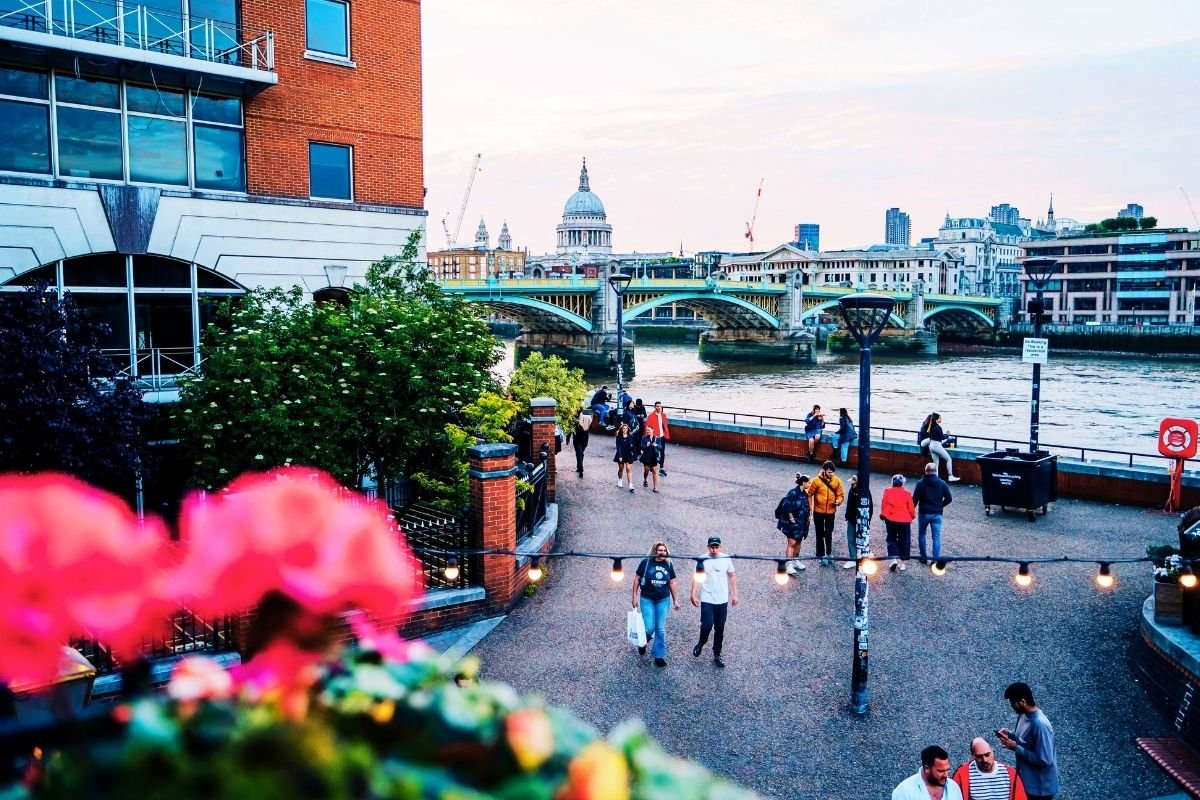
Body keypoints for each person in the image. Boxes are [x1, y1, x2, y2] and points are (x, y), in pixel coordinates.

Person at [999, 682, 1059, 800]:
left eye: (1013, 703)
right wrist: (1010, 735)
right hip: (1027, 783)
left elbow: (1045, 759)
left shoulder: (1040, 724)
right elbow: (1026, 740)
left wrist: (1016, 748)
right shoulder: (1023, 715)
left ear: (1022, 702)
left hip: (1040, 789)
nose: (1012, 706)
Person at [690, 535, 737, 668]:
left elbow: (732, 576)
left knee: (720, 628)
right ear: (708, 547)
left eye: (716, 547)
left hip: (722, 599)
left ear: (720, 547)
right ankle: (701, 643)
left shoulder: (726, 558)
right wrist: (693, 594)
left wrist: (734, 594)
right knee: (706, 625)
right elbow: (696, 577)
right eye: (712, 547)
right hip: (707, 597)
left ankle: (717, 654)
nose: (714, 550)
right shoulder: (702, 559)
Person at [632, 541, 679, 667]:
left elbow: (672, 582)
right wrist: (634, 597)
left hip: (663, 600)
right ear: (655, 551)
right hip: (647, 599)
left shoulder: (669, 564)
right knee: (649, 628)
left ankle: (659, 656)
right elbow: (637, 579)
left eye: (664, 550)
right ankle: (643, 642)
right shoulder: (646, 562)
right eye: (660, 550)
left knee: (660, 629)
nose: (662, 552)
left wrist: (675, 600)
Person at [952, 736, 1028, 800]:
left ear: (993, 751)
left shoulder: (1010, 774)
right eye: (979, 756)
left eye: (987, 755)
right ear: (973, 756)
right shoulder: (962, 774)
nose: (985, 760)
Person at [912, 462, 953, 565]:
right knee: (936, 537)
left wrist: (910, 510)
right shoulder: (942, 483)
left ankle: (923, 557)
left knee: (922, 534)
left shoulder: (920, 483)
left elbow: (914, 500)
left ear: (926, 471)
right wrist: (940, 506)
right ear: (936, 471)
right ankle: (935, 559)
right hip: (937, 514)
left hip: (924, 513)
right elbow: (949, 498)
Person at [807, 460, 844, 566]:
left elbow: (840, 494)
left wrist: (838, 501)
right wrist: (810, 507)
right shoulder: (816, 481)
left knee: (828, 533)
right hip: (818, 511)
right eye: (829, 472)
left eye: (832, 472)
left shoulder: (837, 481)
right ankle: (821, 555)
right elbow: (809, 494)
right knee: (819, 533)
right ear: (824, 471)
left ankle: (829, 553)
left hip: (831, 511)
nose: (831, 474)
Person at [893, 745, 963, 800]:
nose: (946, 775)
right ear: (927, 769)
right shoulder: (904, 791)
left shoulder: (953, 787)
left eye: (947, 770)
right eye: (940, 771)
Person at [881, 474, 917, 572]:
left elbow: (884, 504)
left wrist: (884, 515)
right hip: (905, 520)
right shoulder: (907, 493)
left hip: (891, 518)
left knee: (891, 538)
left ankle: (893, 559)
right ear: (902, 482)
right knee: (904, 540)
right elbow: (911, 508)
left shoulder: (887, 491)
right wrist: (912, 517)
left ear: (892, 482)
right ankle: (902, 563)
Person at [778, 474, 811, 573]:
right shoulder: (793, 493)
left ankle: (795, 560)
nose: (810, 484)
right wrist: (791, 518)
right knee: (791, 543)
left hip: (802, 523)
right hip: (793, 523)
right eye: (809, 482)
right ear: (804, 483)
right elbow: (787, 506)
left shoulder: (804, 494)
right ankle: (789, 564)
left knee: (798, 542)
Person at [842, 473, 872, 569]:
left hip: (861, 521)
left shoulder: (864, 491)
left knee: (861, 540)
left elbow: (869, 507)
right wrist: (847, 515)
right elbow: (849, 504)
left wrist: (867, 521)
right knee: (851, 539)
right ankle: (853, 559)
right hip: (851, 519)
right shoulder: (852, 490)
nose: (852, 484)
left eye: (853, 482)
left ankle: (862, 558)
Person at [919, 412, 961, 482]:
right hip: (937, 445)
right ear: (937, 419)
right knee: (948, 459)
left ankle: (936, 478)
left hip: (931, 446)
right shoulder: (938, 427)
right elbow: (942, 437)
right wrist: (947, 435)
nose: (941, 419)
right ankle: (950, 476)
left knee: (936, 464)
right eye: (940, 418)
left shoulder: (930, 426)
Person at [647, 401, 671, 476]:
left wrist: (665, 433)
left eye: (660, 406)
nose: (659, 407)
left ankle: (661, 468)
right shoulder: (651, 416)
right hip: (654, 437)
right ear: (655, 407)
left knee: (662, 452)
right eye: (657, 406)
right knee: (654, 452)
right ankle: (652, 466)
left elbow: (665, 425)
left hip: (662, 436)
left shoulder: (663, 415)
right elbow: (648, 427)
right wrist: (649, 437)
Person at [613, 423, 637, 493]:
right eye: (623, 428)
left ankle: (630, 484)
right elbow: (618, 447)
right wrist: (620, 456)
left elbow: (634, 446)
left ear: (628, 429)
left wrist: (633, 450)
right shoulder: (619, 437)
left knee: (628, 469)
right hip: (621, 454)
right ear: (621, 429)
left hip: (629, 454)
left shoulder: (631, 436)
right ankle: (620, 480)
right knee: (621, 469)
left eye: (626, 428)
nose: (625, 430)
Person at [639, 428, 661, 492]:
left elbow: (661, 448)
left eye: (649, 430)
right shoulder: (644, 438)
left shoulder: (657, 438)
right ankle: (645, 479)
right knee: (646, 471)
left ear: (653, 430)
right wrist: (646, 445)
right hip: (646, 457)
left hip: (654, 457)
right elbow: (642, 447)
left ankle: (655, 488)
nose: (648, 431)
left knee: (654, 471)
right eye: (647, 430)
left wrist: (656, 445)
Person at [572, 408, 591, 477]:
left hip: (578, 440)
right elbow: (589, 428)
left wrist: (568, 438)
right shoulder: (587, 419)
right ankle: (580, 468)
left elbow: (571, 430)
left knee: (579, 454)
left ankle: (580, 468)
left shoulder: (574, 420)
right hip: (584, 440)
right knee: (580, 453)